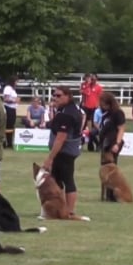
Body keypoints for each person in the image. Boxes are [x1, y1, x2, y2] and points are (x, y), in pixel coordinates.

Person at [41, 86, 85, 217]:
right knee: (57, 180)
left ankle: (69, 211)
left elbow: (61, 138)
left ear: (68, 96)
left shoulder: (67, 113)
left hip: (65, 151)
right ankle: (59, 209)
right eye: (54, 95)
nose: (55, 98)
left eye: (59, 95)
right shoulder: (65, 110)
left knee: (67, 180)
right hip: (66, 150)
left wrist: (50, 158)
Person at [98, 92, 126, 163]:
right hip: (105, 142)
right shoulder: (106, 114)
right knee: (104, 164)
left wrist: (117, 144)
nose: (101, 105)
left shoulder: (118, 113)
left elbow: (121, 129)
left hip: (113, 142)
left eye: (102, 103)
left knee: (110, 164)